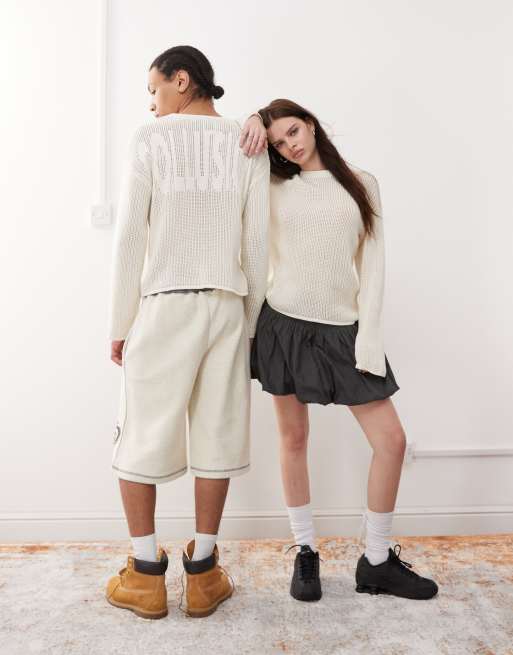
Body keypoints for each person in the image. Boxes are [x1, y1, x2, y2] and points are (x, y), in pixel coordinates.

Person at [239, 100, 438, 602]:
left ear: (311, 124)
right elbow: (234, 168)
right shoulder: (270, 185)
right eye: (279, 142)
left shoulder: (362, 184)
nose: (290, 145)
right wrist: (250, 120)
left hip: (342, 331)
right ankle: (305, 551)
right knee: (293, 438)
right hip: (284, 325)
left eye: (293, 131)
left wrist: (369, 336)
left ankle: (376, 561)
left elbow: (374, 265)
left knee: (391, 441)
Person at [105, 45, 270, 619]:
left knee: (140, 436)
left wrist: (120, 322)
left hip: (165, 305)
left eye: (153, 89)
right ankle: (202, 575)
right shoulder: (247, 141)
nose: (151, 104)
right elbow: (257, 244)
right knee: (217, 438)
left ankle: (144, 575)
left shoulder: (150, 140)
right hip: (226, 306)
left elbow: (130, 235)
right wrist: (249, 326)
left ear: (181, 80)